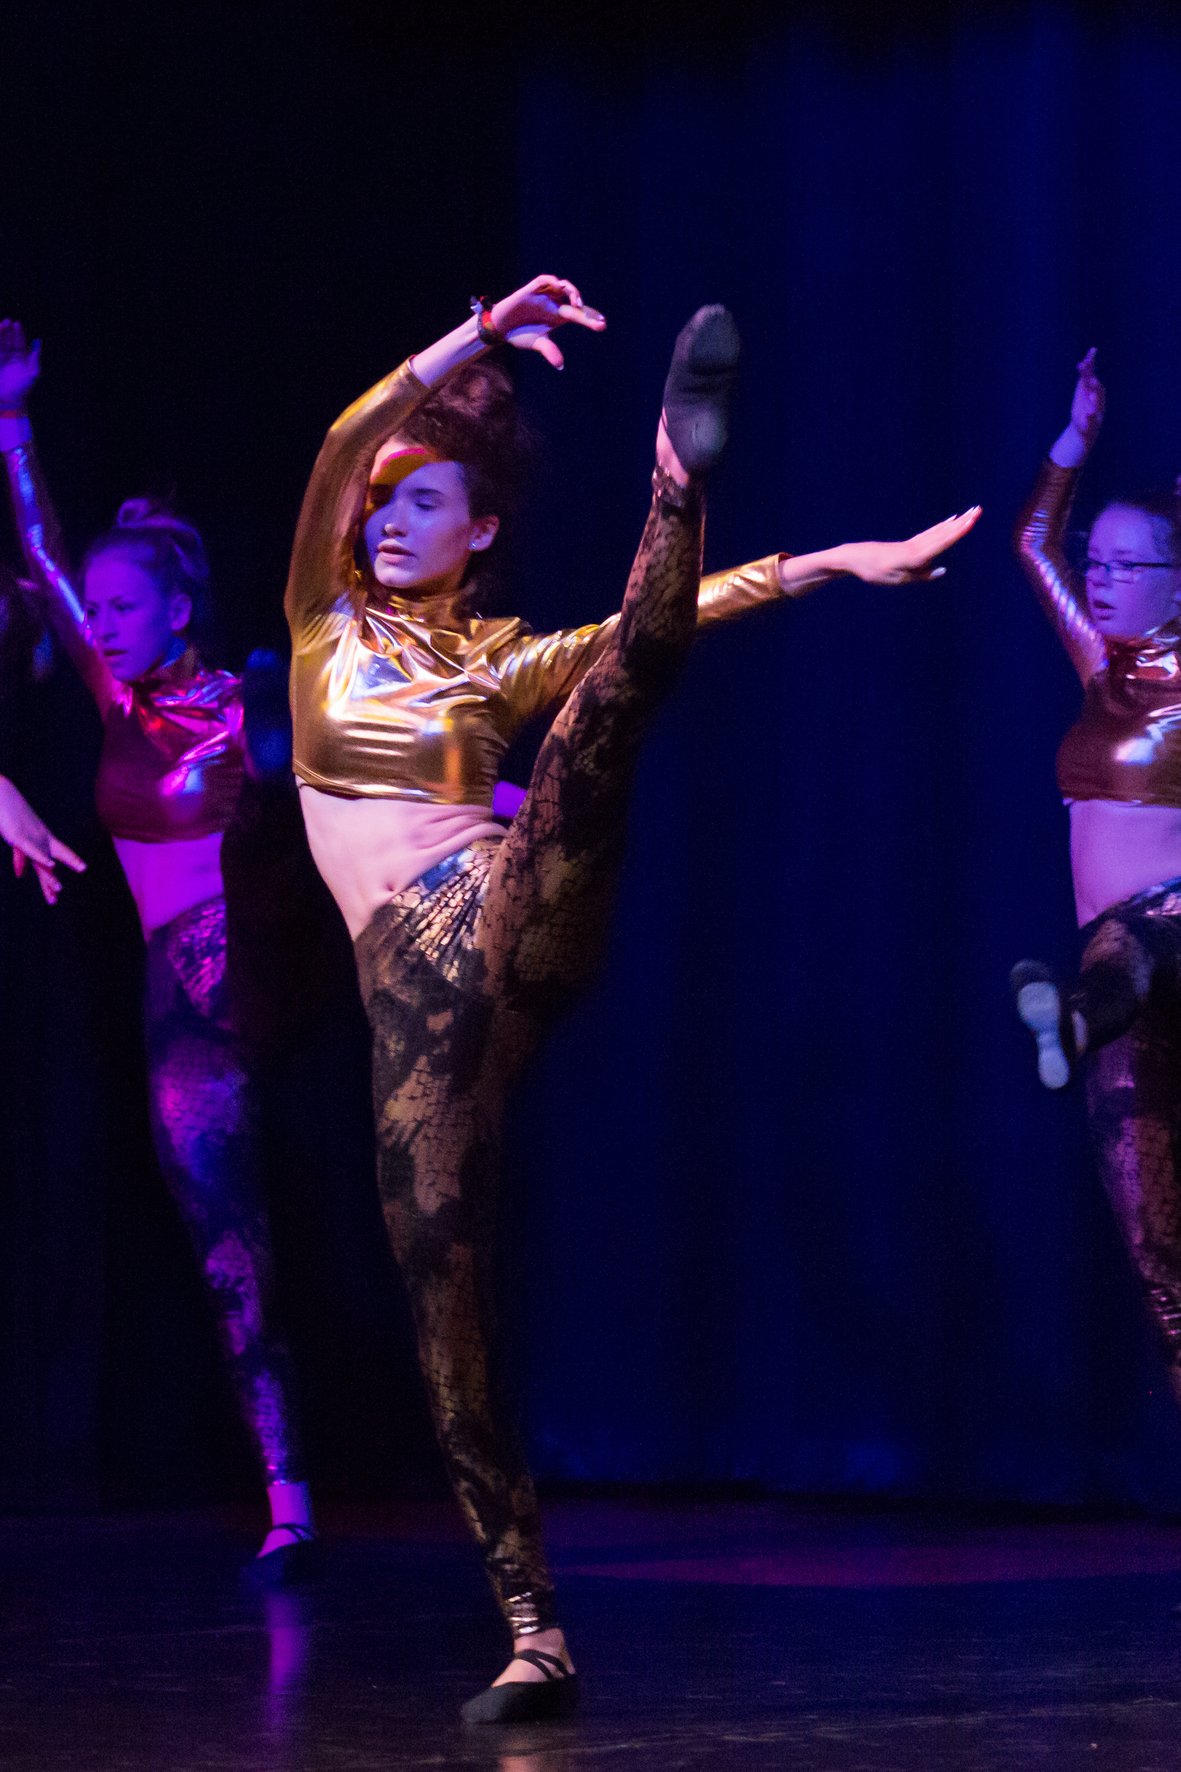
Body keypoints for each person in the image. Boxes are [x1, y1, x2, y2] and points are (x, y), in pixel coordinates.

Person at [286, 273, 979, 1720]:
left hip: (506, 915)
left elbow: (662, 628)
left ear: (482, 530)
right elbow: (345, 436)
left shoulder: (497, 662)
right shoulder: (319, 627)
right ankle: (533, 1632)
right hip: (416, 1014)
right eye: (380, 499)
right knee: (445, 1306)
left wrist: (835, 562)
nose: (386, 514)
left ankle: (676, 476)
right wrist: (475, 335)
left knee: (604, 704)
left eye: (424, 499)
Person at [0, 321, 317, 1578]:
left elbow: (372, 779)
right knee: (232, 1249)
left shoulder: (242, 704)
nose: (108, 623)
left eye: (129, 606)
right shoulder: (118, 704)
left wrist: (509, 803)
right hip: (184, 1014)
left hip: (279, 978)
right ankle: (288, 1494)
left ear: (181, 607)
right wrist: (11, 423)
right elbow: (41, 558)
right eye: (102, 610)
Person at [1012, 349, 1181, 1417]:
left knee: (1133, 940)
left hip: (1171, 932)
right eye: (1100, 562)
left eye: (1126, 564)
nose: (1102, 578)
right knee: (1161, 1271)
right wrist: (1072, 440)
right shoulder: (1099, 669)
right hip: (1122, 981)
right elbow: (1033, 544)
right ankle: (1080, 1019)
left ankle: (1074, 1018)